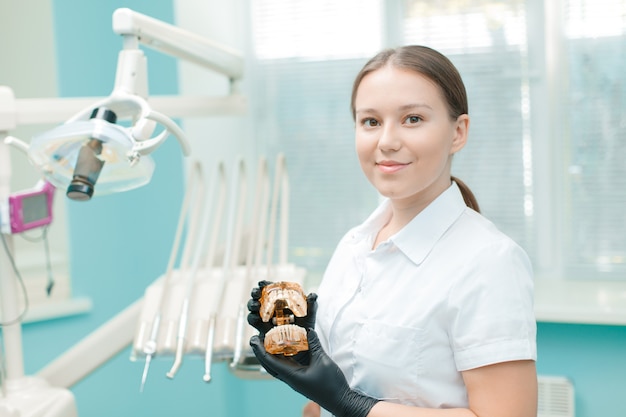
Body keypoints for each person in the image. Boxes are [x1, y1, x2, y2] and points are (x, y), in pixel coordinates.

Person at [248, 45, 537, 417]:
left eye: (412, 118)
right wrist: (305, 351)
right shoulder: (353, 245)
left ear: (458, 133)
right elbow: (319, 404)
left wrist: (352, 405)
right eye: (370, 121)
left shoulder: (489, 262)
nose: (386, 141)